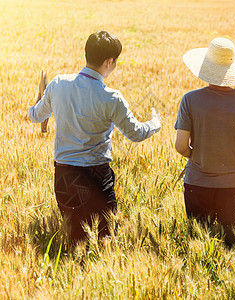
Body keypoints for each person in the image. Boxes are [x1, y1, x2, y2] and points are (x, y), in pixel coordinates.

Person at [29, 31, 161, 245]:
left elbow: (35, 116)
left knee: (74, 238)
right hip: (97, 177)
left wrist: (37, 103)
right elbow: (136, 133)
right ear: (109, 62)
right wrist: (155, 122)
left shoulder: (58, 84)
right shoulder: (111, 97)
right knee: (104, 239)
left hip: (64, 175)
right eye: (115, 62)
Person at [174, 37, 235, 248]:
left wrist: (195, 154)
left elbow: (180, 146)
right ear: (232, 68)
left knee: (198, 244)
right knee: (232, 246)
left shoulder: (190, 100)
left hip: (198, 184)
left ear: (206, 67)